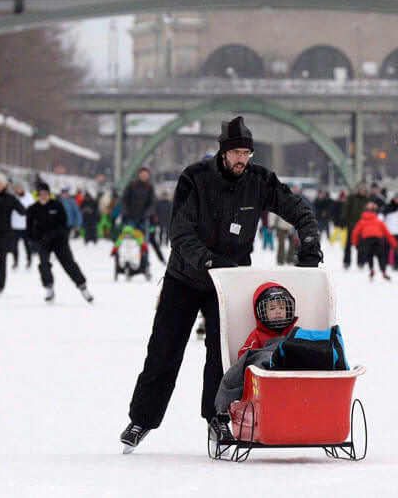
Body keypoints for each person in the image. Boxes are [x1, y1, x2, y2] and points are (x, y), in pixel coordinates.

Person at [120, 116, 320, 453]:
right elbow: (179, 233)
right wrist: (209, 260)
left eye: (247, 153)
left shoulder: (260, 180)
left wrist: (310, 242)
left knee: (222, 356)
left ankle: (218, 418)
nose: (242, 159)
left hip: (230, 285)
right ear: (223, 152)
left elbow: (299, 210)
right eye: (237, 153)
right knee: (164, 351)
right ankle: (142, 419)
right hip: (185, 277)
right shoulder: (195, 178)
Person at [213, 282, 298, 414]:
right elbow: (246, 357)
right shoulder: (257, 335)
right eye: (272, 308)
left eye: (282, 307)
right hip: (265, 383)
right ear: (261, 312)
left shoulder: (296, 332)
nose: (278, 312)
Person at [26, 183, 93, 304]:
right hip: (42, 242)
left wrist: (54, 235)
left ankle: (82, 286)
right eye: (41, 194)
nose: (43, 196)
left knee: (69, 263)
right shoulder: (33, 209)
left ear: (49, 194)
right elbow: (29, 227)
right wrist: (34, 241)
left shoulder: (57, 206)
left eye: (45, 194)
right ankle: (49, 286)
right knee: (44, 264)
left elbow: (63, 225)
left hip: (59, 241)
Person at [352, 202, 398, 281]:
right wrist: (394, 244)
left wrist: (355, 243)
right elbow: (387, 233)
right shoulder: (378, 221)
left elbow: (355, 233)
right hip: (378, 240)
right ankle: (383, 272)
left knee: (369, 256)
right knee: (381, 256)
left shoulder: (362, 222)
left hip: (367, 240)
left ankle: (371, 269)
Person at [339, 183, 369, 269]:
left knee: (361, 245)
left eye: (364, 190)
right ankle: (346, 261)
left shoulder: (367, 199)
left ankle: (361, 261)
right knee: (348, 244)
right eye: (361, 190)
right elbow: (345, 209)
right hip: (351, 224)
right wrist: (343, 219)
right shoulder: (351, 198)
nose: (362, 192)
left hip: (362, 225)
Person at [10, 184, 35, 269]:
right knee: (14, 246)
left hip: (26, 226)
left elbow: (33, 210)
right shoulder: (12, 197)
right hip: (15, 226)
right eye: (17, 188)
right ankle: (15, 261)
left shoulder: (29, 197)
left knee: (27, 245)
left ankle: (29, 260)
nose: (18, 189)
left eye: (20, 187)